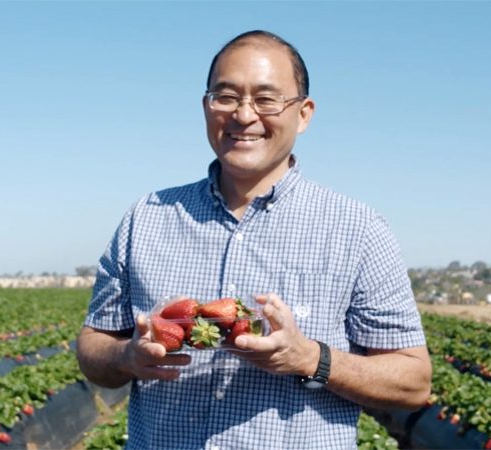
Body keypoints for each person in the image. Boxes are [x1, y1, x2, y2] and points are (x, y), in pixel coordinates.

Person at [77, 30, 431, 450]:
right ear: (206, 106)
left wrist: (309, 358)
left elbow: (413, 382)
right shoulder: (147, 218)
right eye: (225, 96)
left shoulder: (358, 229)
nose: (244, 115)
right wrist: (127, 357)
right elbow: (93, 345)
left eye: (266, 99)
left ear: (303, 114)